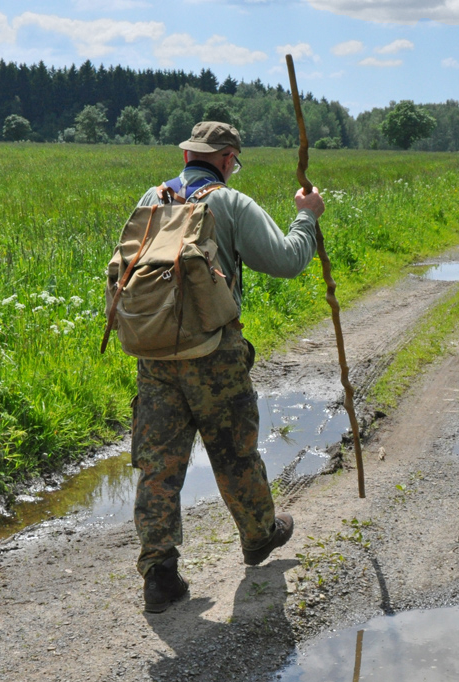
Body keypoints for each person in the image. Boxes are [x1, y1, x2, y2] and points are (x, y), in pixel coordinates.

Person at [130, 121, 325, 613]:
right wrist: (307, 217)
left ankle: (160, 574)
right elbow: (286, 260)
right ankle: (259, 535)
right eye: (233, 161)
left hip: (154, 353)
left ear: (187, 154)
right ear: (226, 158)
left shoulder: (151, 198)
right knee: (234, 450)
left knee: (158, 464)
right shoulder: (230, 203)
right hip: (214, 351)